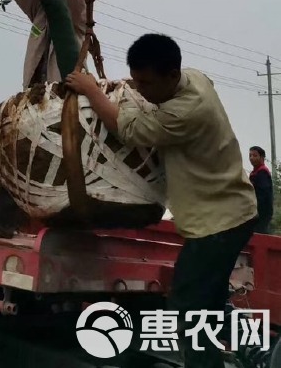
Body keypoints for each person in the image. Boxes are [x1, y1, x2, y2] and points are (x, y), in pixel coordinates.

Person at [65, 33, 257, 368]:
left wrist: (93, 91)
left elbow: (128, 129)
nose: (139, 89)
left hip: (218, 224)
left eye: (146, 83)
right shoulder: (194, 78)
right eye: (136, 80)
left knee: (185, 309)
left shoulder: (184, 113)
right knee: (207, 303)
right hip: (233, 212)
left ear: (172, 75)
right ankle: (249, 350)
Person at [0, 0, 86, 239]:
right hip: (36, 99)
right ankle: (5, 222)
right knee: (20, 154)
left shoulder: (76, 12)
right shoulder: (40, 9)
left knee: (50, 159)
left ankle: (14, 224)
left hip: (66, 99)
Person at [249, 145, 273, 234]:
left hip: (262, 212)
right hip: (255, 211)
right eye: (250, 155)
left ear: (262, 157)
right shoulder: (253, 173)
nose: (251, 158)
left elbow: (263, 194)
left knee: (259, 235)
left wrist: (256, 209)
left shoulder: (262, 172)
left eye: (254, 155)